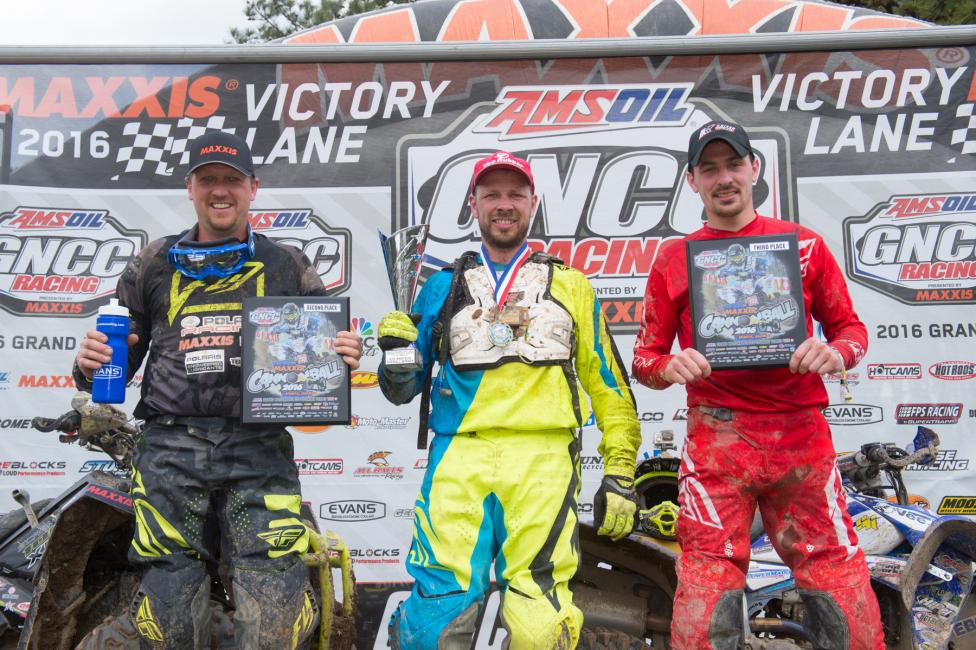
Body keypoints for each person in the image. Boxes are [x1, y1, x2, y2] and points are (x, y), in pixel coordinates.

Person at [72, 131, 362, 649]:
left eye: (232, 179)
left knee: (274, 621)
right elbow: (118, 362)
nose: (220, 190)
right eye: (208, 179)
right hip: (168, 450)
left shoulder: (287, 263)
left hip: (258, 449)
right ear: (191, 187)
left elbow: (320, 370)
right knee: (170, 616)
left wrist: (338, 360)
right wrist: (89, 365)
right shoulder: (153, 261)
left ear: (253, 187)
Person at [632, 120, 883, 649]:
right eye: (709, 169)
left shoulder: (804, 246)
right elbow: (644, 360)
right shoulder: (674, 258)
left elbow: (851, 331)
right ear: (692, 180)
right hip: (716, 440)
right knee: (708, 573)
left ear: (754, 168)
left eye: (733, 164)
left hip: (801, 437)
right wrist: (668, 366)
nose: (723, 178)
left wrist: (835, 353)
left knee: (833, 566)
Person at [377, 151, 641, 649]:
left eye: (515, 194)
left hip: (545, 460)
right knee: (434, 620)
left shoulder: (572, 285)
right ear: (473, 204)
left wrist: (621, 472)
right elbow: (402, 391)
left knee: (540, 624)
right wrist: (395, 356)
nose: (504, 204)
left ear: (532, 203)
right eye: (492, 194)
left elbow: (609, 386)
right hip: (458, 457)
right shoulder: (439, 285)